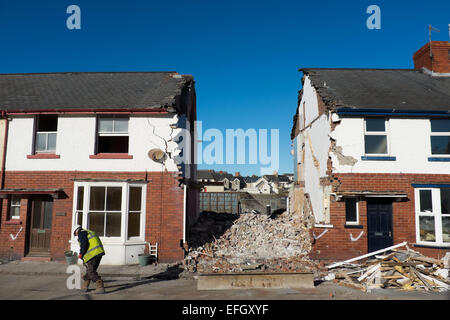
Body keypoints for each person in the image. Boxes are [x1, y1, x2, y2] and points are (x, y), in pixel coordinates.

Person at [73, 226, 105, 293]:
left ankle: (100, 287)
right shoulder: (89, 232)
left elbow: (84, 244)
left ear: (76, 231)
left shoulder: (81, 233)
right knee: (90, 271)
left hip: (93, 255)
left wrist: (81, 253)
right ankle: (85, 286)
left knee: (91, 272)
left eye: (75, 234)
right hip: (98, 253)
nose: (76, 235)